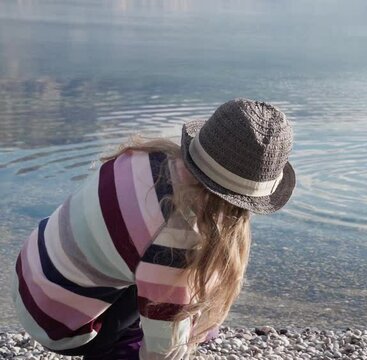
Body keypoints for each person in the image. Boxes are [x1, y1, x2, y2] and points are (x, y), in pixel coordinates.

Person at [11, 98, 296, 359]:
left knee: (176, 295)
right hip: (60, 326)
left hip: (32, 278)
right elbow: (164, 351)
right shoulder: (179, 238)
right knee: (173, 311)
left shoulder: (147, 157)